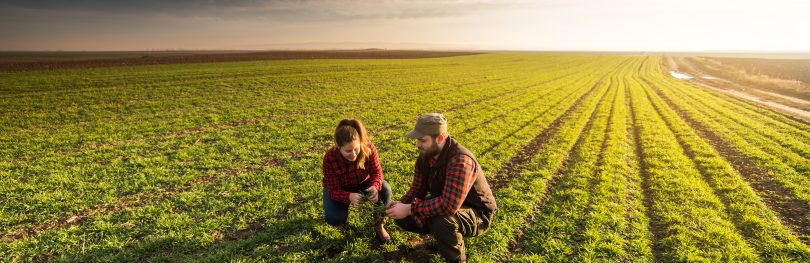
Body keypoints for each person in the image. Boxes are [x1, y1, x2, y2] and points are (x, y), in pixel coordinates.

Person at [386, 113, 497, 263]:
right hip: (449, 203)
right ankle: (442, 238)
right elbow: (416, 190)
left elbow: (448, 205)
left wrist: (409, 208)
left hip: (478, 213)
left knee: (441, 219)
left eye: (422, 140)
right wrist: (397, 205)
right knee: (404, 216)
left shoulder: (460, 161)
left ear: (439, 138)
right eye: (418, 139)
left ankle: (457, 259)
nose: (417, 144)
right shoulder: (425, 157)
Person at [322, 118, 392, 243]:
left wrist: (375, 186)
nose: (353, 155)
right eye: (348, 151)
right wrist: (349, 196)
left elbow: (377, 172)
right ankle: (341, 223)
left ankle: (379, 224)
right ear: (338, 147)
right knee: (334, 218)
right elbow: (333, 190)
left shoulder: (369, 148)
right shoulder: (329, 158)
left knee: (385, 189)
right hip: (341, 188)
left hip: (363, 182)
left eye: (356, 148)